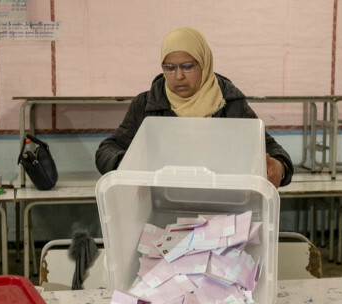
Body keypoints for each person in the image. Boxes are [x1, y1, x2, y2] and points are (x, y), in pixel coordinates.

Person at [95, 27, 293, 188]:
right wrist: (123, 164)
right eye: (169, 68)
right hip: (164, 205)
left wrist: (279, 166)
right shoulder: (147, 105)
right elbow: (108, 148)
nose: (178, 76)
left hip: (223, 205)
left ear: (204, 64)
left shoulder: (231, 103)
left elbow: (271, 149)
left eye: (188, 66)